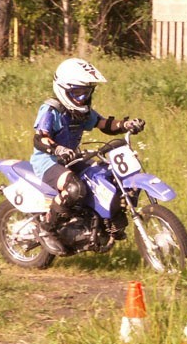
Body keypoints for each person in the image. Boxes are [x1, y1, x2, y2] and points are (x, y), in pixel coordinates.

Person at [30, 58, 145, 255]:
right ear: (63, 89)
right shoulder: (51, 110)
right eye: (76, 92)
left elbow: (104, 124)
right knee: (74, 189)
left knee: (108, 177)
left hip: (74, 159)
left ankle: (103, 223)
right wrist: (58, 149)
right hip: (48, 162)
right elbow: (40, 138)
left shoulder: (82, 112)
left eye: (86, 92)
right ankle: (46, 228)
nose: (82, 97)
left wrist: (125, 125)